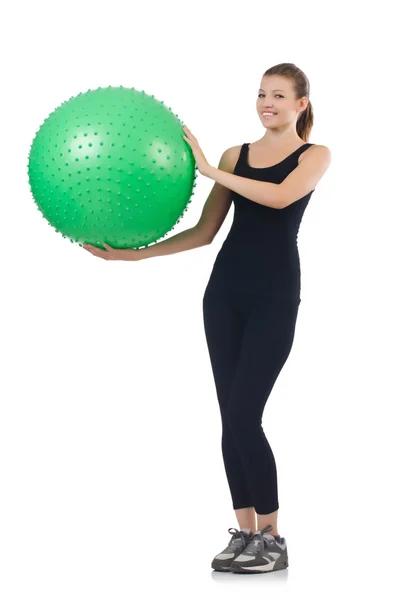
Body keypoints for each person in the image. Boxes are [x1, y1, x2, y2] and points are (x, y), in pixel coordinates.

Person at [83, 62, 331, 574]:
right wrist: (134, 255)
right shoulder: (234, 155)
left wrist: (211, 170)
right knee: (230, 420)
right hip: (223, 296)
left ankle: (274, 539)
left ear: (301, 104)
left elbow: (280, 196)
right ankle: (245, 532)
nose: (267, 102)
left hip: (274, 297)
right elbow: (204, 232)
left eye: (279, 95)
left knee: (245, 415)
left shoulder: (314, 155)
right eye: (262, 93)